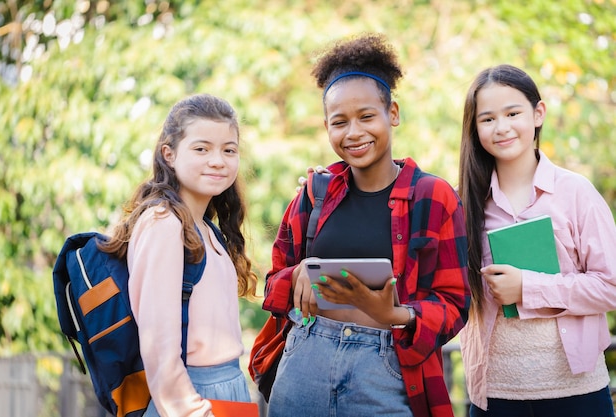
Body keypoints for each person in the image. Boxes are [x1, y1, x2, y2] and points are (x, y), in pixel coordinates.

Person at [261, 33, 470, 417]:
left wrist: (396, 315)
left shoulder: (434, 197)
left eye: (366, 117)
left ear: (392, 113)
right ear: (326, 126)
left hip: (387, 368)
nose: (353, 133)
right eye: (339, 122)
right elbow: (272, 283)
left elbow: (456, 303)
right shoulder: (313, 194)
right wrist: (298, 274)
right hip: (307, 358)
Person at [458, 64, 616, 417]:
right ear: (475, 128)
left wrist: (528, 288)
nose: (501, 127)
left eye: (513, 113)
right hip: (495, 396)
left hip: (576, 393)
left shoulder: (575, 193)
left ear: (538, 113)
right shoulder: (463, 203)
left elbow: (611, 285)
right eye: (487, 119)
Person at [99, 94, 258, 417]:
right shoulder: (163, 223)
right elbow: (159, 345)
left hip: (229, 391)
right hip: (192, 398)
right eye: (202, 149)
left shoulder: (207, 230)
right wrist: (191, 410)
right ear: (168, 154)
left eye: (229, 150)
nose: (218, 160)